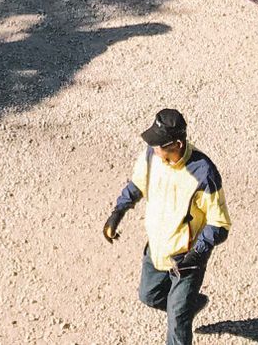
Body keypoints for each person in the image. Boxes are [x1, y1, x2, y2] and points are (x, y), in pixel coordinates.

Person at [102, 108, 231, 345]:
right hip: (157, 248)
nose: (154, 148)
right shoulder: (152, 156)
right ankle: (190, 305)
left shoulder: (204, 174)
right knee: (149, 296)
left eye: (159, 144)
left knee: (177, 324)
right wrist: (117, 212)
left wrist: (195, 254)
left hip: (186, 259)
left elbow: (219, 225)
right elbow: (137, 185)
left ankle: (182, 309)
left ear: (178, 144)